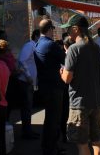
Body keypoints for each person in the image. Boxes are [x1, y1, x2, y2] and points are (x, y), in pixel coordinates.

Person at [60, 14, 100, 155]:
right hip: (96, 100)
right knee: (96, 141)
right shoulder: (96, 48)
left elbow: (67, 78)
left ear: (76, 29)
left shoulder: (74, 49)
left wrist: (61, 72)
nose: (67, 32)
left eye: (69, 29)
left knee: (82, 144)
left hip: (79, 103)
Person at [34, 18, 67, 155]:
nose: (54, 32)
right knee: (54, 119)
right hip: (54, 87)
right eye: (53, 29)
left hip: (44, 85)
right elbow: (66, 59)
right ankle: (50, 148)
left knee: (50, 118)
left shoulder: (38, 44)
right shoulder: (51, 45)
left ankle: (48, 146)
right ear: (49, 29)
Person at [17, 29, 40, 139]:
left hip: (29, 82)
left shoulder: (33, 46)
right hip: (26, 81)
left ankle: (28, 130)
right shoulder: (29, 45)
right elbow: (22, 60)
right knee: (26, 107)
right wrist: (28, 76)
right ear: (36, 36)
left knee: (28, 107)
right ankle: (27, 132)